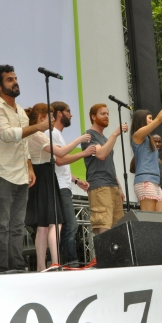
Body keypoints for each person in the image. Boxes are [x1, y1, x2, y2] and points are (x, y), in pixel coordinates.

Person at [0, 65, 49, 273]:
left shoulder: (20, 110)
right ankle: (1, 269)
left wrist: (29, 166)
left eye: (15, 78)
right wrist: (37, 127)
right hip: (2, 172)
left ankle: (18, 267)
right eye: (9, 80)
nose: (15, 82)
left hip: (21, 174)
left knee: (17, 226)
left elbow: (24, 144)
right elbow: (7, 134)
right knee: (2, 225)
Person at [26, 103, 93, 271]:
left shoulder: (39, 135)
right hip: (45, 176)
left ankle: (47, 264)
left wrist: (76, 180)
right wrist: (79, 140)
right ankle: (56, 262)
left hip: (47, 176)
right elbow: (61, 154)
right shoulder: (39, 135)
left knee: (45, 225)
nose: (52, 120)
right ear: (42, 117)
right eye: (49, 117)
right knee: (55, 224)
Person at [43, 101, 95, 267]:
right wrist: (84, 153)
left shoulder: (58, 134)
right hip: (58, 186)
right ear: (59, 114)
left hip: (64, 185)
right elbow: (59, 161)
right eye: (69, 111)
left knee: (67, 226)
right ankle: (70, 264)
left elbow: (61, 165)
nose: (71, 115)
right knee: (70, 226)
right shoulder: (51, 133)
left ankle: (67, 263)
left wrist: (77, 180)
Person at [81, 104, 128, 234]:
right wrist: (115, 133)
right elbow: (101, 155)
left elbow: (109, 163)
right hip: (99, 185)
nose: (107, 116)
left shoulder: (105, 139)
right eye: (103, 114)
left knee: (118, 227)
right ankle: (103, 255)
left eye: (107, 114)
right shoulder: (89, 135)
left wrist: (119, 186)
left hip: (112, 185)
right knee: (104, 226)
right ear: (93, 116)